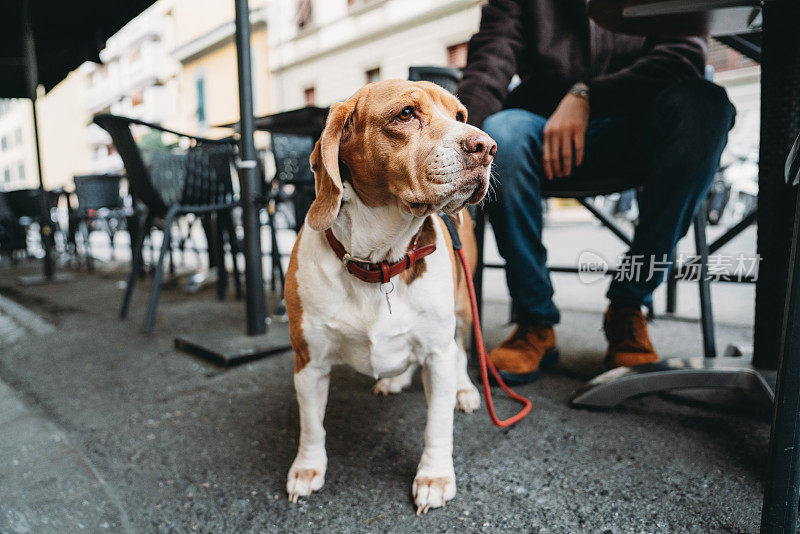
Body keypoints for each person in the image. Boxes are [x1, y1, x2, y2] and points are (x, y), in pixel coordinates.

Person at [456, 0, 736, 384]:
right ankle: (534, 319)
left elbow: (682, 55)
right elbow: (490, 62)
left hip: (640, 126)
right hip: (544, 129)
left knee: (707, 105)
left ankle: (628, 307)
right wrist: (457, 148)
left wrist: (588, 95)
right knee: (502, 132)